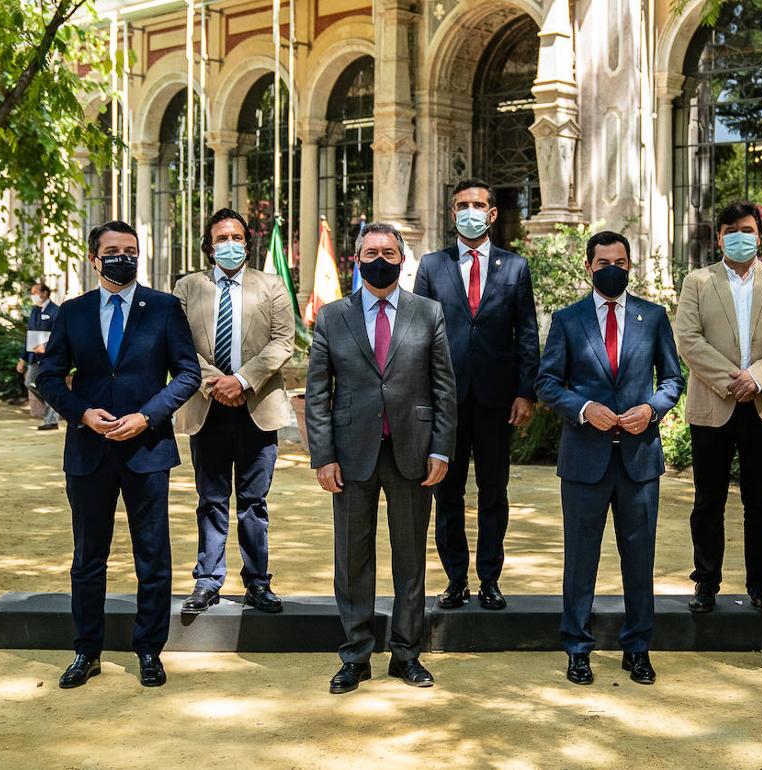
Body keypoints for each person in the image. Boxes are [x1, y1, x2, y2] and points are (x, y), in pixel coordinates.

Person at [36, 221, 201, 689]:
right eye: (112, 250)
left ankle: (149, 650)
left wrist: (147, 416)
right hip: (88, 450)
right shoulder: (73, 312)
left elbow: (188, 374)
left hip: (147, 450)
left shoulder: (164, 308)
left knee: (153, 557)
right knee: (88, 557)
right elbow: (48, 376)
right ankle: (86, 651)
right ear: (94, 259)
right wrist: (81, 413)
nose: (122, 257)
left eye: (130, 250)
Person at [306, 222, 457, 694]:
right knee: (352, 559)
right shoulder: (333, 316)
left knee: (410, 559)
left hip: (413, 452)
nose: (380, 260)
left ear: (402, 260)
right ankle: (355, 656)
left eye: (388, 253)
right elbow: (317, 393)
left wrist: (441, 447)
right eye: (370, 252)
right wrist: (323, 456)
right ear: (357, 259)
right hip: (351, 456)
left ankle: (406, 654)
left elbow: (444, 388)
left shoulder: (428, 312)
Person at [536, 231, 683, 686]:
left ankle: (637, 648)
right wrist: (583, 408)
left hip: (640, 461)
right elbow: (547, 383)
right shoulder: (567, 319)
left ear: (630, 265)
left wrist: (652, 409)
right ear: (589, 267)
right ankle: (577, 649)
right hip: (585, 460)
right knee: (580, 560)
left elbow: (673, 380)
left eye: (620, 262)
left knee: (639, 559)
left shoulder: (653, 317)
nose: (612, 269)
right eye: (603, 263)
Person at [673, 201, 762, 615]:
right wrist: (734, 380)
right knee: (707, 502)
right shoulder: (698, 281)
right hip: (714, 405)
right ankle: (706, 582)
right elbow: (688, 339)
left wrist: (759, 377)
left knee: (760, 503)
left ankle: (760, 583)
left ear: (760, 236)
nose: (739, 237)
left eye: (747, 229)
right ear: (719, 238)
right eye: (730, 231)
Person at [414, 178, 540, 610]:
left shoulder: (514, 267)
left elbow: (526, 333)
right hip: (445, 400)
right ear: (453, 213)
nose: (471, 211)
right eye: (462, 204)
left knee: (493, 491)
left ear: (492, 213)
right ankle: (455, 579)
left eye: (479, 204)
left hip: (496, 399)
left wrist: (526, 392)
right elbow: (417, 333)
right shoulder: (432, 265)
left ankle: (489, 578)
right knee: (447, 493)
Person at [172, 209, 296, 615]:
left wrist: (241, 381)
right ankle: (207, 581)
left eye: (237, 237)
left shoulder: (272, 285)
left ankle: (257, 582)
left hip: (257, 406)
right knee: (210, 499)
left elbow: (283, 342)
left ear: (247, 242)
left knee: (253, 501)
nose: (230, 244)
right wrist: (218, 384)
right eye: (222, 238)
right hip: (207, 406)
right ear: (209, 246)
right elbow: (178, 345)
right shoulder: (188, 287)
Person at [19, 282, 61, 430]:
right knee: (29, 382)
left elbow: (59, 334)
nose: (33, 296)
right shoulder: (35, 310)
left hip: (49, 357)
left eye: (35, 292)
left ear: (44, 293)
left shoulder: (56, 310)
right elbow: (29, 334)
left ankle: (52, 420)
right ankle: (56, 404)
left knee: (48, 385)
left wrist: (46, 346)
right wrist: (22, 358)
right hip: (33, 357)